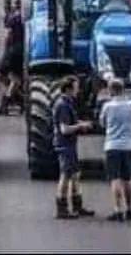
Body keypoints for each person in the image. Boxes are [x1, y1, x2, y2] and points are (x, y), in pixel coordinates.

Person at [52, 75, 94, 219]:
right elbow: (64, 129)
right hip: (65, 145)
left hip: (70, 144)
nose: (78, 90)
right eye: (76, 87)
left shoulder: (67, 103)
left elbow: (70, 123)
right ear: (69, 89)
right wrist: (81, 126)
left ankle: (77, 205)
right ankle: (61, 208)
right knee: (65, 175)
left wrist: (81, 123)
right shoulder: (62, 105)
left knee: (75, 174)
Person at [100, 78, 131, 222]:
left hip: (112, 145)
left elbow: (102, 122)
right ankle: (129, 209)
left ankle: (118, 210)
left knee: (115, 179)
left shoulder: (108, 106)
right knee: (127, 179)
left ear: (110, 90)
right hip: (129, 145)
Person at [0, 0, 24, 115]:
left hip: (16, 49)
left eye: (17, 2)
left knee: (14, 78)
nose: (15, 4)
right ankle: (19, 99)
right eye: (14, 2)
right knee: (2, 75)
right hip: (13, 48)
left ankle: (5, 103)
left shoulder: (17, 18)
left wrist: (7, 48)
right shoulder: (11, 16)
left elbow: (8, 35)